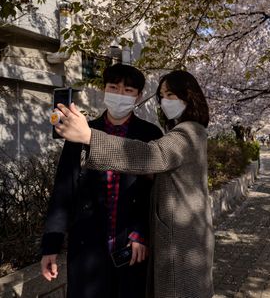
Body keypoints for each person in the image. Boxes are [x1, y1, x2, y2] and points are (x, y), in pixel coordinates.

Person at [54, 70, 214, 298]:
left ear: (188, 96)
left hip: (180, 241)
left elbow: (152, 155)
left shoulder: (187, 132)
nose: (166, 101)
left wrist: (90, 137)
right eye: (162, 95)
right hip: (97, 246)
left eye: (171, 94)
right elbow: (64, 189)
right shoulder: (189, 131)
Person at [40, 64, 163, 298]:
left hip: (131, 246)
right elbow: (64, 189)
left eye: (128, 90)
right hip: (87, 245)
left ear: (137, 96)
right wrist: (51, 246)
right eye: (113, 87)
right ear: (104, 90)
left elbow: (155, 193)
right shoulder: (82, 131)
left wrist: (141, 233)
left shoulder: (150, 134)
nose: (119, 94)